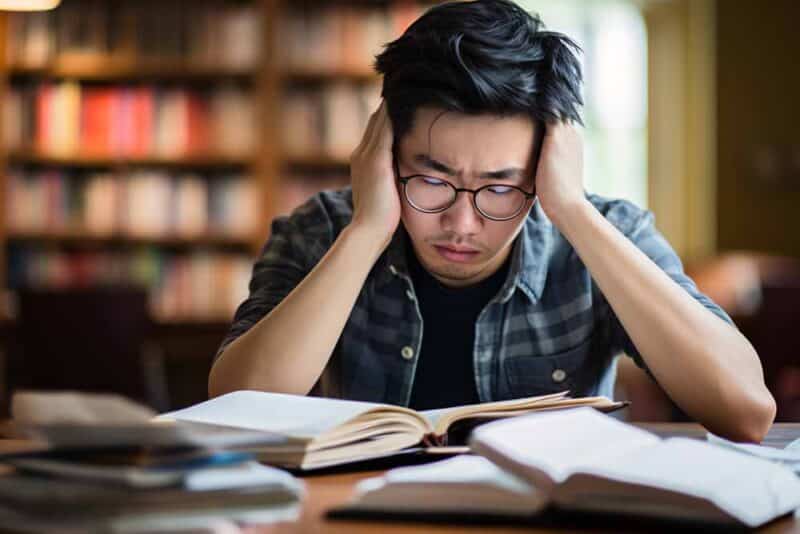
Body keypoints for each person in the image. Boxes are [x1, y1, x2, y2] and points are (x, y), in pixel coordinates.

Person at [209, 0, 775, 442]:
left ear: (545, 167)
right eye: (431, 180)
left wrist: (571, 210)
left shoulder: (605, 232)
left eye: (501, 187)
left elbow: (746, 411)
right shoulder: (320, 231)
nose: (462, 223)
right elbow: (232, 411)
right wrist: (365, 231)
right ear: (383, 154)